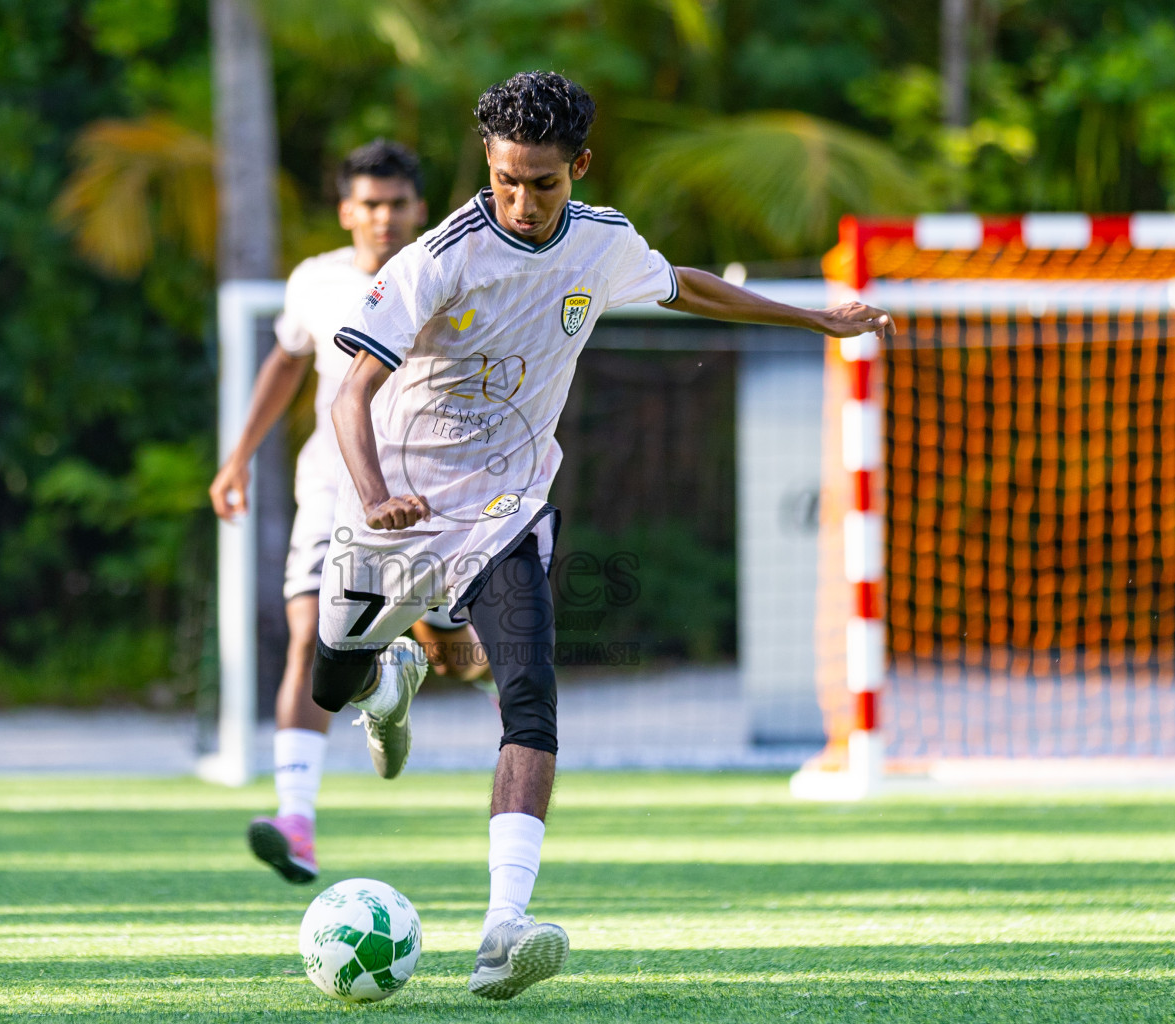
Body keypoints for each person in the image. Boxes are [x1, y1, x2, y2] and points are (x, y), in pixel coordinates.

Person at [311, 71, 894, 1000]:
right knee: (331, 678)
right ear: (489, 167)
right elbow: (350, 395)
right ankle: (388, 679)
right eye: (506, 180)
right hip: (399, 509)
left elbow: (684, 288)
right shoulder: (437, 258)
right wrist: (377, 495)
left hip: (511, 505)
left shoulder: (600, 240)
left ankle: (505, 926)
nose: (523, 201)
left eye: (543, 182)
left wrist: (815, 317)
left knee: (531, 695)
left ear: (578, 166)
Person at [208, 139, 490, 885]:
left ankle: (399, 676)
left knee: (458, 659)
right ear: (346, 211)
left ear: (419, 209)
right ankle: (295, 821)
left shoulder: (447, 272)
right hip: (332, 499)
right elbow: (286, 359)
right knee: (308, 639)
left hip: (428, 504)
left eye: (398, 204)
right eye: (370, 204)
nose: (385, 217)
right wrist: (238, 456)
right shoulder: (316, 281)